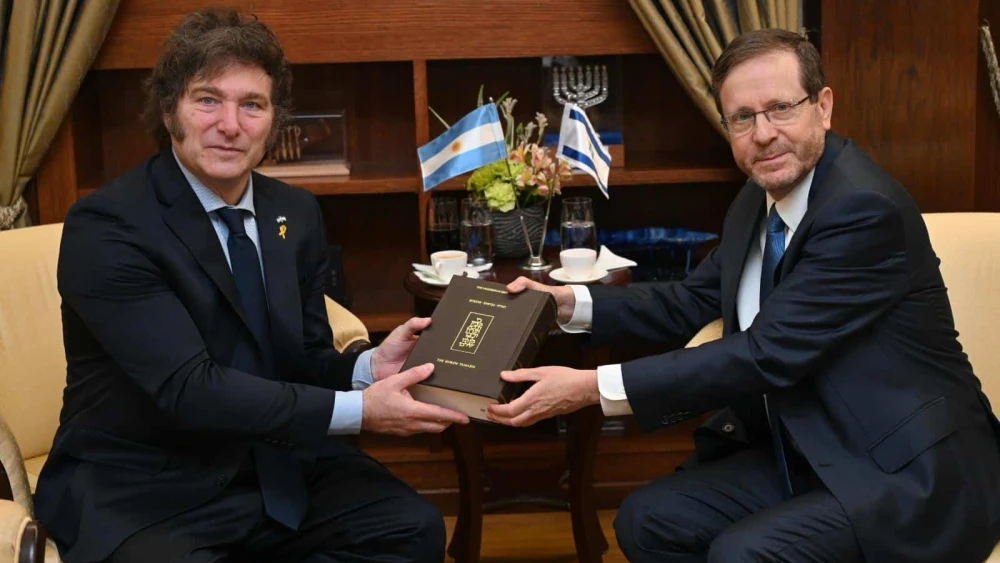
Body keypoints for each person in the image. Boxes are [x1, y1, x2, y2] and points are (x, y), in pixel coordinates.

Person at [489, 28, 1000, 562]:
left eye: (781, 108)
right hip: (805, 444)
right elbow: (690, 301)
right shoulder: (759, 196)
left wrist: (592, 387)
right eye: (743, 117)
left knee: (743, 554)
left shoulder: (861, 211)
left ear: (823, 107)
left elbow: (766, 352)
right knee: (648, 520)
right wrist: (566, 303)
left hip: (903, 469)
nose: (763, 134)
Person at [33, 8, 468, 563]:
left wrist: (366, 370)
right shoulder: (109, 225)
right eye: (208, 99)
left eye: (252, 105)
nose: (230, 125)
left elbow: (302, 356)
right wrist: (361, 411)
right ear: (170, 111)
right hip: (147, 481)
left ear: (274, 121)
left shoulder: (296, 212)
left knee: (413, 529)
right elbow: (189, 389)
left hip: (275, 461)